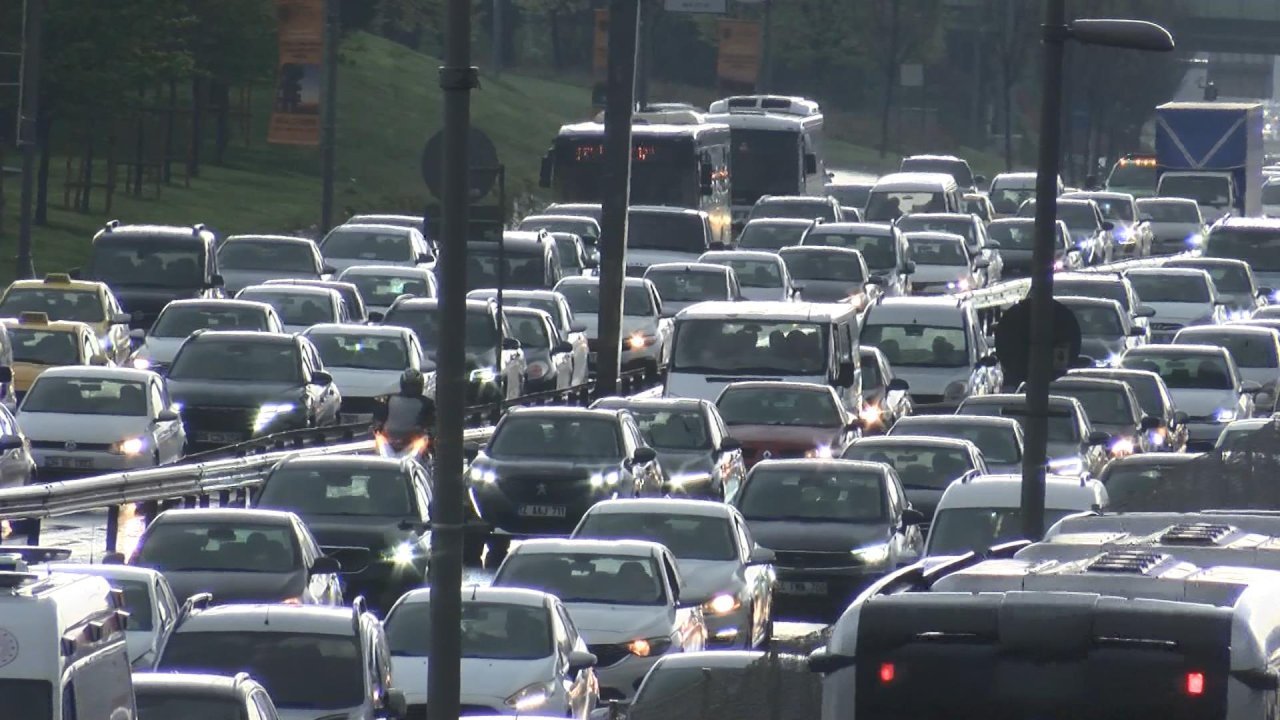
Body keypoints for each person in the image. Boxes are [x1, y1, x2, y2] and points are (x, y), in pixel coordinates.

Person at [374, 368, 437, 446]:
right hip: (389, 440)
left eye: (413, 386)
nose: (411, 389)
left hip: (415, 441)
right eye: (410, 386)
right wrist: (377, 428)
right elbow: (379, 418)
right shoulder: (389, 399)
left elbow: (433, 423)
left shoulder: (427, 403)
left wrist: (430, 433)